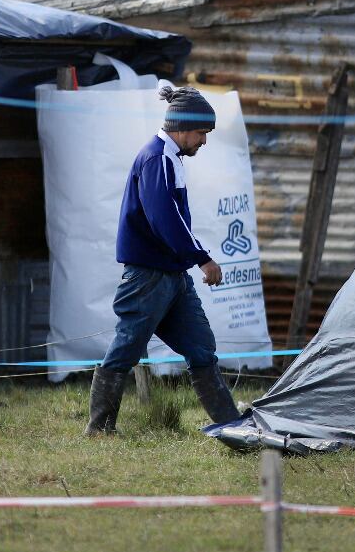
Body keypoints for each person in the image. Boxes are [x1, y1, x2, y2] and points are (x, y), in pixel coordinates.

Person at [85, 84, 242, 436]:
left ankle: (231, 426)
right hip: (148, 277)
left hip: (173, 275)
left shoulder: (171, 158)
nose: (204, 140)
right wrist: (202, 259)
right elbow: (165, 219)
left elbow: (174, 221)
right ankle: (98, 429)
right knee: (126, 347)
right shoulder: (158, 158)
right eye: (202, 133)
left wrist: (190, 259)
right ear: (183, 127)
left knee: (201, 347)